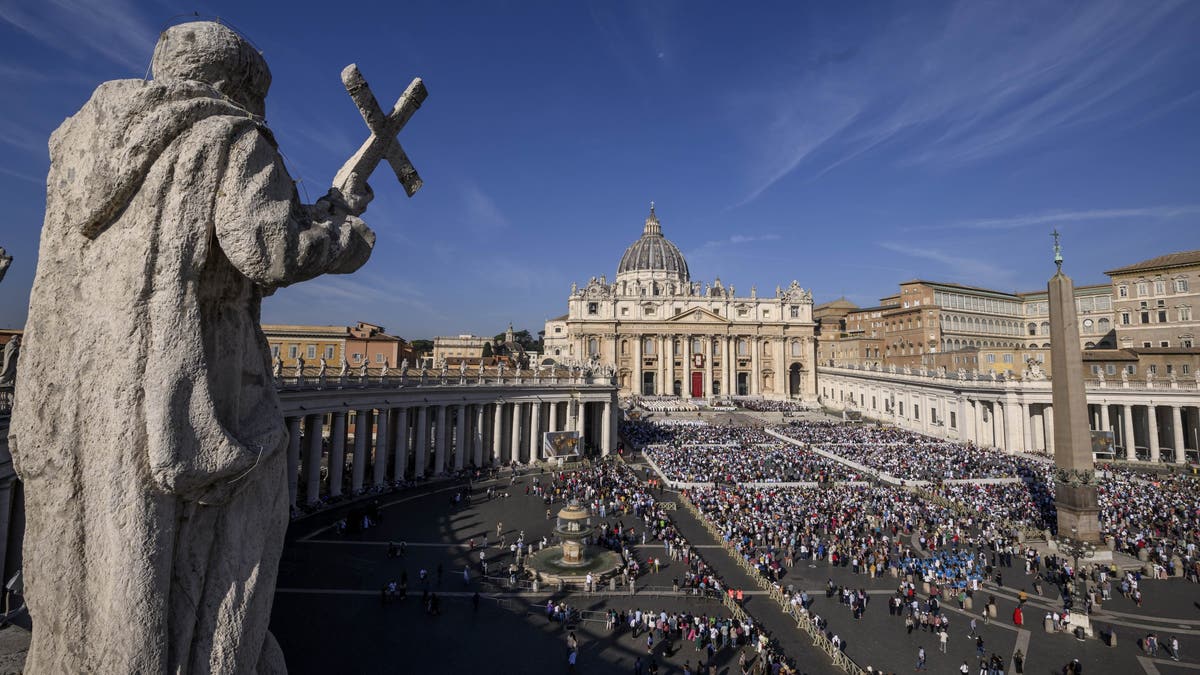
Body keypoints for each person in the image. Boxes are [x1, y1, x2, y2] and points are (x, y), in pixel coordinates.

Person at [9, 20, 375, 674]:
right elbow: (270, 247)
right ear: (241, 86)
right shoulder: (226, 134)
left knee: (99, 555)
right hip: (177, 400)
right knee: (225, 541)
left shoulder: (81, 148)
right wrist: (341, 224)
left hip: (82, 394)